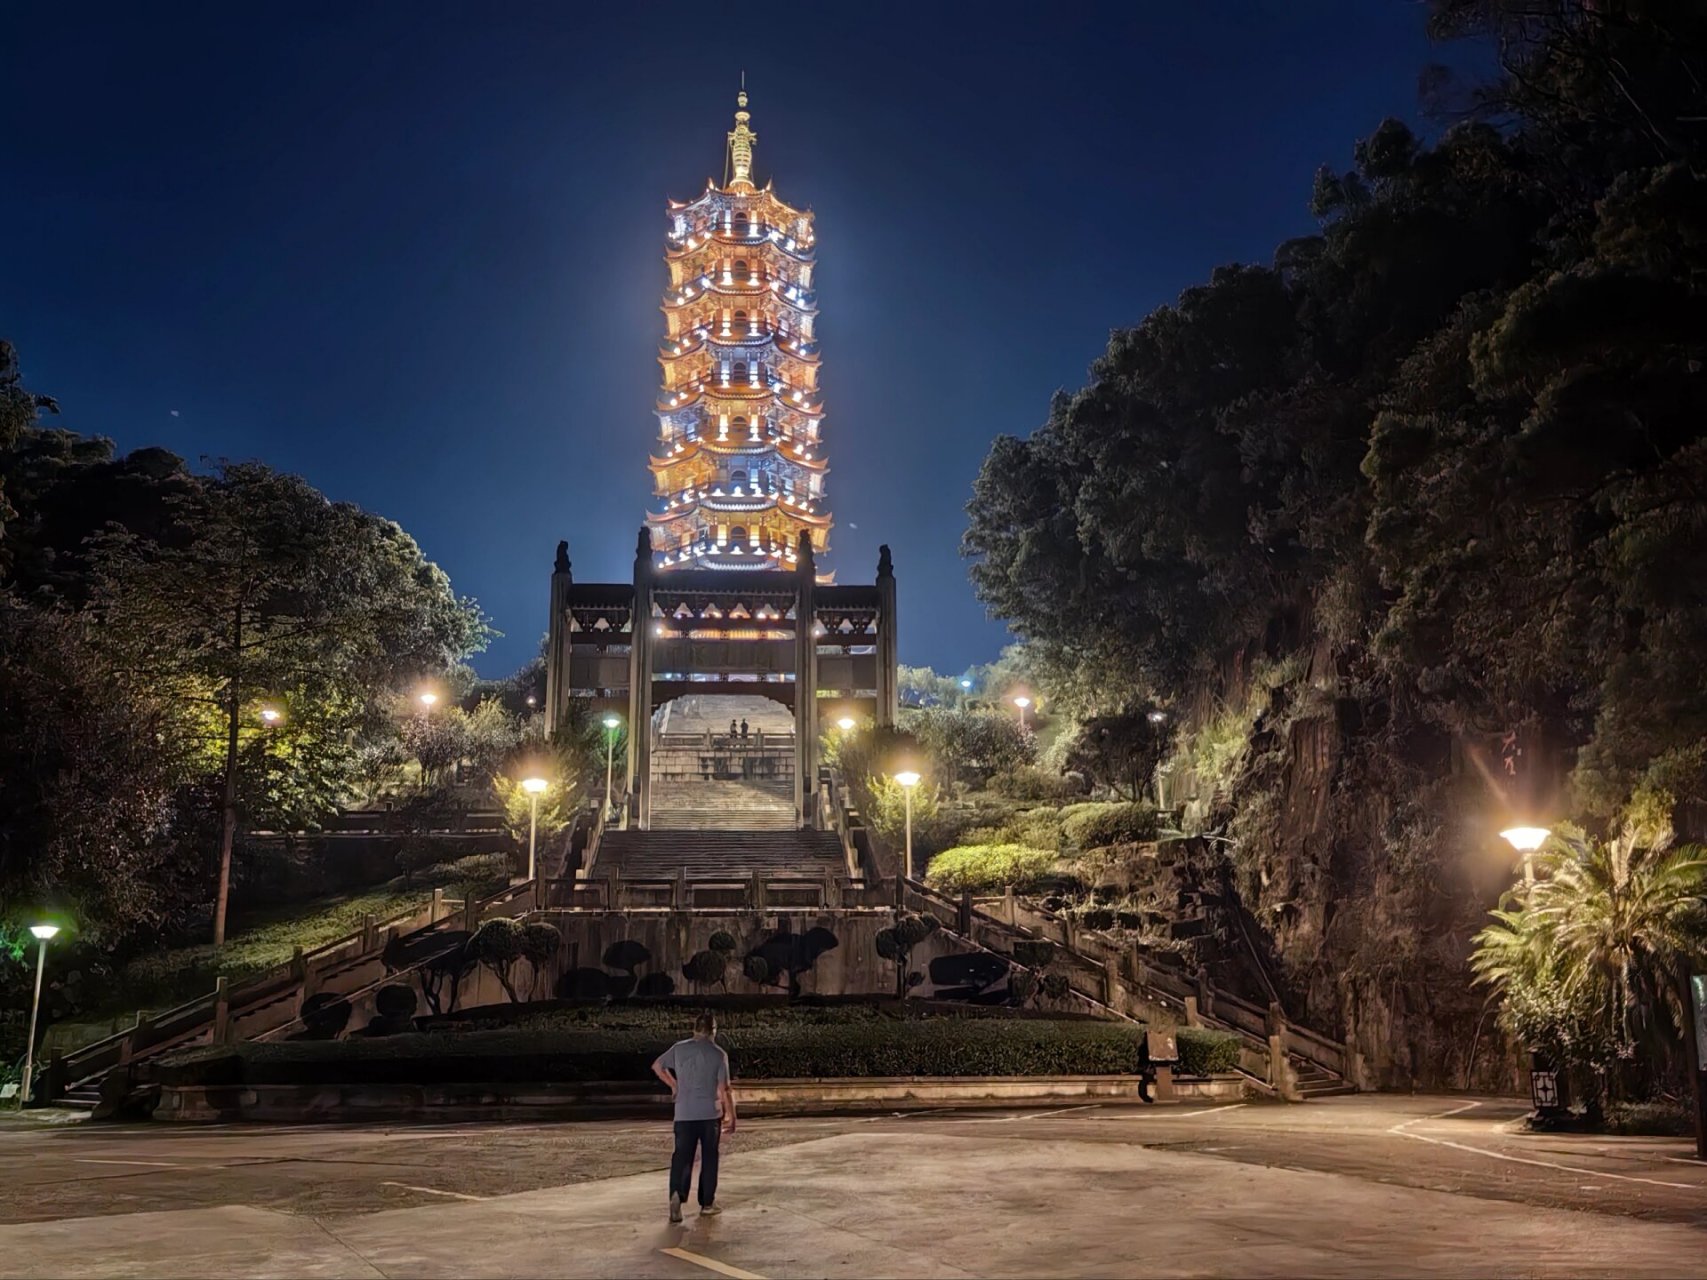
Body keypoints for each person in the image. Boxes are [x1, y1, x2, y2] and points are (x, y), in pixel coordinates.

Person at [652, 1011, 737, 1222]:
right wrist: (731, 1115)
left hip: (683, 1114)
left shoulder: (679, 1049)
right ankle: (707, 1203)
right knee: (709, 1157)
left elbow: (657, 1066)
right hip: (710, 1114)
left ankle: (677, 1195)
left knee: (682, 1156)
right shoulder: (718, 1054)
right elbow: (724, 1088)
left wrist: (674, 1085)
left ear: (695, 1029)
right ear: (713, 1031)